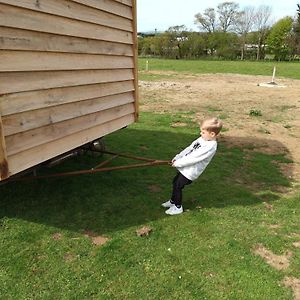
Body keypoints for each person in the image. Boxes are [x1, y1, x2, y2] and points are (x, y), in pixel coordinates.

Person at [162, 117, 223, 215]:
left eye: (203, 132)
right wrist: (178, 157)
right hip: (185, 167)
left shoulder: (210, 146)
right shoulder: (202, 139)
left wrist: (178, 163)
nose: (200, 134)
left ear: (212, 134)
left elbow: (194, 158)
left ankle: (178, 207)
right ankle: (173, 201)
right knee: (175, 182)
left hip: (191, 171)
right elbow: (189, 149)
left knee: (178, 186)